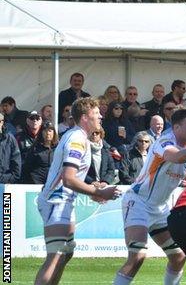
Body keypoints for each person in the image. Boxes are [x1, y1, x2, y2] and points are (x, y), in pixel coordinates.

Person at [113, 109, 186, 285]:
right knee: (137, 256)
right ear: (176, 127)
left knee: (178, 256)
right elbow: (177, 157)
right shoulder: (164, 141)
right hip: (139, 201)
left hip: (160, 208)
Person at [35, 98, 121, 284]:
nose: (100, 115)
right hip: (56, 200)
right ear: (84, 117)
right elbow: (69, 178)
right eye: (96, 113)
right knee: (56, 256)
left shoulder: (79, 137)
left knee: (66, 253)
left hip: (63, 200)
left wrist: (93, 191)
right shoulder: (77, 139)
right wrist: (98, 193)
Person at [0, 112, 21, 184]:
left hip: (6, 184)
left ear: (2, 122)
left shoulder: (10, 138)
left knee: (7, 196)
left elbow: (16, 159)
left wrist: (12, 178)